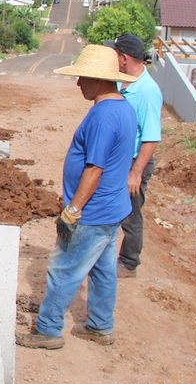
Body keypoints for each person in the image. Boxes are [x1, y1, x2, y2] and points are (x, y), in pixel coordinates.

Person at [16, 44, 138, 349]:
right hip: (113, 208)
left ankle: (48, 330)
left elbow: (94, 169)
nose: (78, 83)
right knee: (103, 269)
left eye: (83, 77)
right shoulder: (123, 107)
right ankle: (99, 325)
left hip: (92, 213)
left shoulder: (103, 116)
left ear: (98, 79)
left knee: (63, 269)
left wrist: (73, 209)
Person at [105, 33, 163, 278]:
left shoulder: (148, 92)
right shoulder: (122, 83)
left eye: (116, 55)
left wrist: (135, 173)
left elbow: (151, 137)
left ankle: (129, 263)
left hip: (134, 162)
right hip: (120, 160)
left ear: (125, 58)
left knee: (130, 213)